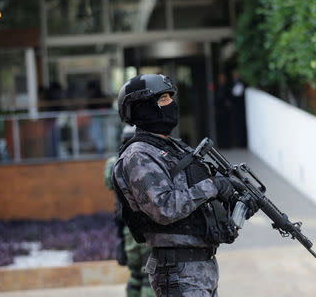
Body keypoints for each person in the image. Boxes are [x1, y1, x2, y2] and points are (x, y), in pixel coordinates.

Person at [110, 74, 259, 297]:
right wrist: (213, 185)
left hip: (201, 267)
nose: (171, 104)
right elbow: (164, 208)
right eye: (163, 99)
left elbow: (196, 204)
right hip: (178, 272)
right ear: (141, 108)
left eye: (171, 97)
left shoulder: (173, 148)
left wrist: (236, 205)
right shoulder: (138, 155)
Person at [104, 125, 154, 297]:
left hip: (127, 229)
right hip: (145, 227)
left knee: (135, 276)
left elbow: (108, 182)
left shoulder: (114, 162)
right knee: (148, 276)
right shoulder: (141, 160)